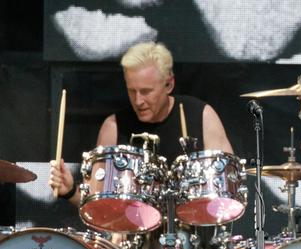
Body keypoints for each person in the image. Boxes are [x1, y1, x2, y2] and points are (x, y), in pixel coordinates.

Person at [48, 41, 233, 204]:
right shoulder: (114, 127)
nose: (138, 101)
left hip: (193, 236)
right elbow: (97, 202)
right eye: (132, 91)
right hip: (133, 238)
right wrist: (71, 191)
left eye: (146, 91)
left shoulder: (201, 116)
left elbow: (228, 188)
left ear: (169, 84)